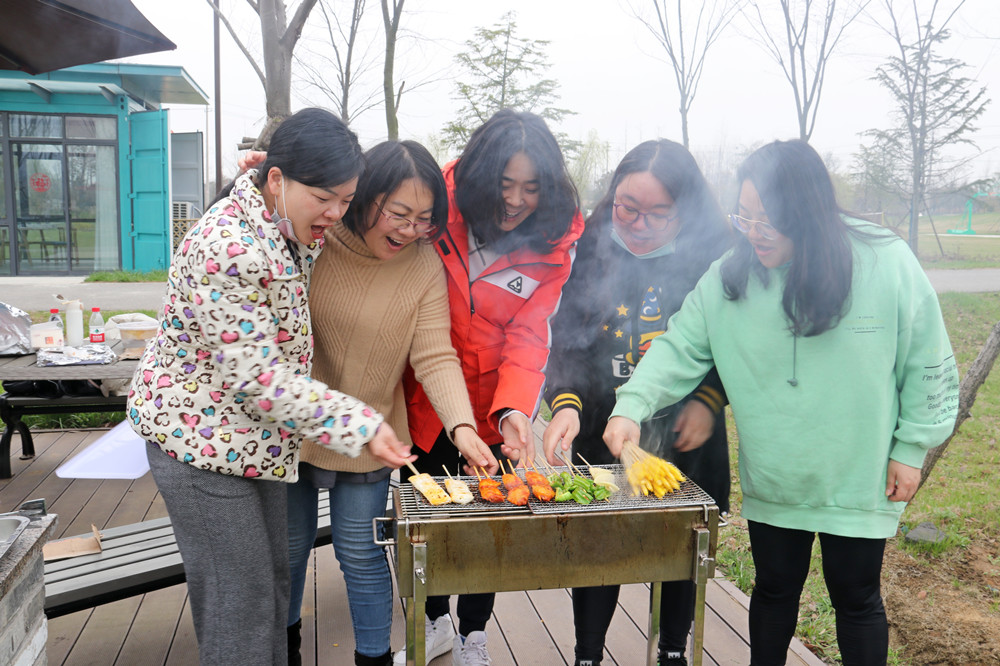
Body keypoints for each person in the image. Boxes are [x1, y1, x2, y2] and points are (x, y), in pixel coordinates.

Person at [603, 139, 960, 665]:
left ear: (809, 215)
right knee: (773, 591)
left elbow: (927, 357)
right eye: (744, 216)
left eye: (769, 220)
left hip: (859, 471)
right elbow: (679, 346)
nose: (753, 232)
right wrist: (631, 405)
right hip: (778, 471)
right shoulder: (732, 275)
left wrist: (912, 447)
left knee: (855, 596)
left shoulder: (883, 260)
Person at [127, 108, 413, 666]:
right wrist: (362, 423)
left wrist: (274, 167)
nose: (335, 214)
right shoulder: (229, 246)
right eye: (325, 198)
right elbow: (263, 382)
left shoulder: (274, 210)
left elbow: (293, 186)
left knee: (272, 588)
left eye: (346, 201)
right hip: (198, 445)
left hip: (248, 445)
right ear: (277, 181)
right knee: (242, 606)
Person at [282, 140, 494, 666]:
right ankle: (281, 648)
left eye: (424, 218)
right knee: (286, 553)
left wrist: (463, 429)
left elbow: (435, 354)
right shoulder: (315, 242)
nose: (409, 230)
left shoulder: (424, 266)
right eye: (398, 213)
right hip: (293, 427)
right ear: (364, 197)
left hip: (373, 432)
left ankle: (372, 658)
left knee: (363, 554)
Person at [400, 108, 585, 665]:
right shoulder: (438, 202)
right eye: (504, 184)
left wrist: (513, 412)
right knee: (427, 517)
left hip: (493, 399)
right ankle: (433, 622)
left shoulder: (553, 240)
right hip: (429, 392)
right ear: (481, 178)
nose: (515, 200)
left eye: (531, 187)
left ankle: (475, 631)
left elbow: (530, 334)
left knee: (492, 518)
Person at [542, 139, 732, 666]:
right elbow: (563, 338)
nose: (638, 223)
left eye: (656, 213)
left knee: (681, 547)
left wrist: (710, 401)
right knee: (598, 545)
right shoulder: (586, 250)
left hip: (686, 429)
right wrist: (566, 404)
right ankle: (587, 654)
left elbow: (736, 347)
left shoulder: (718, 258)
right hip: (604, 423)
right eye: (627, 207)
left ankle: (672, 649)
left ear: (685, 209)